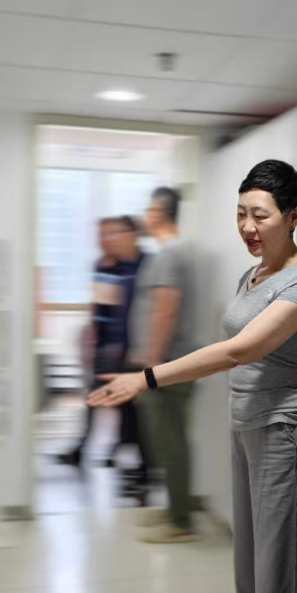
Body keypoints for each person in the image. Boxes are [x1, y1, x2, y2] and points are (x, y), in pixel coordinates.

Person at [91, 160, 297, 593]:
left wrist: (146, 377)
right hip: (245, 426)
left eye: (260, 215)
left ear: (294, 216)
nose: (247, 226)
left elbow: (239, 350)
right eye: (241, 214)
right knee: (249, 572)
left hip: (284, 433)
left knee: (278, 577)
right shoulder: (253, 274)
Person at [104, 187, 201, 541]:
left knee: (170, 442)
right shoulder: (172, 253)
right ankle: (174, 509)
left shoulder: (169, 255)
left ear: (158, 213)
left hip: (166, 366)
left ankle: (180, 522)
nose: (145, 216)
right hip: (167, 364)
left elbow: (165, 309)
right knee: (166, 441)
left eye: (148, 210)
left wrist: (151, 368)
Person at [59, 217, 147, 471]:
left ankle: (117, 450)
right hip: (105, 344)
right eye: (101, 235)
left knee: (122, 401)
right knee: (98, 396)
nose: (105, 240)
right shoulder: (102, 265)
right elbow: (99, 306)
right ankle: (89, 448)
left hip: (124, 345)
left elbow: (129, 309)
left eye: (110, 234)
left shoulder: (135, 265)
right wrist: (91, 339)